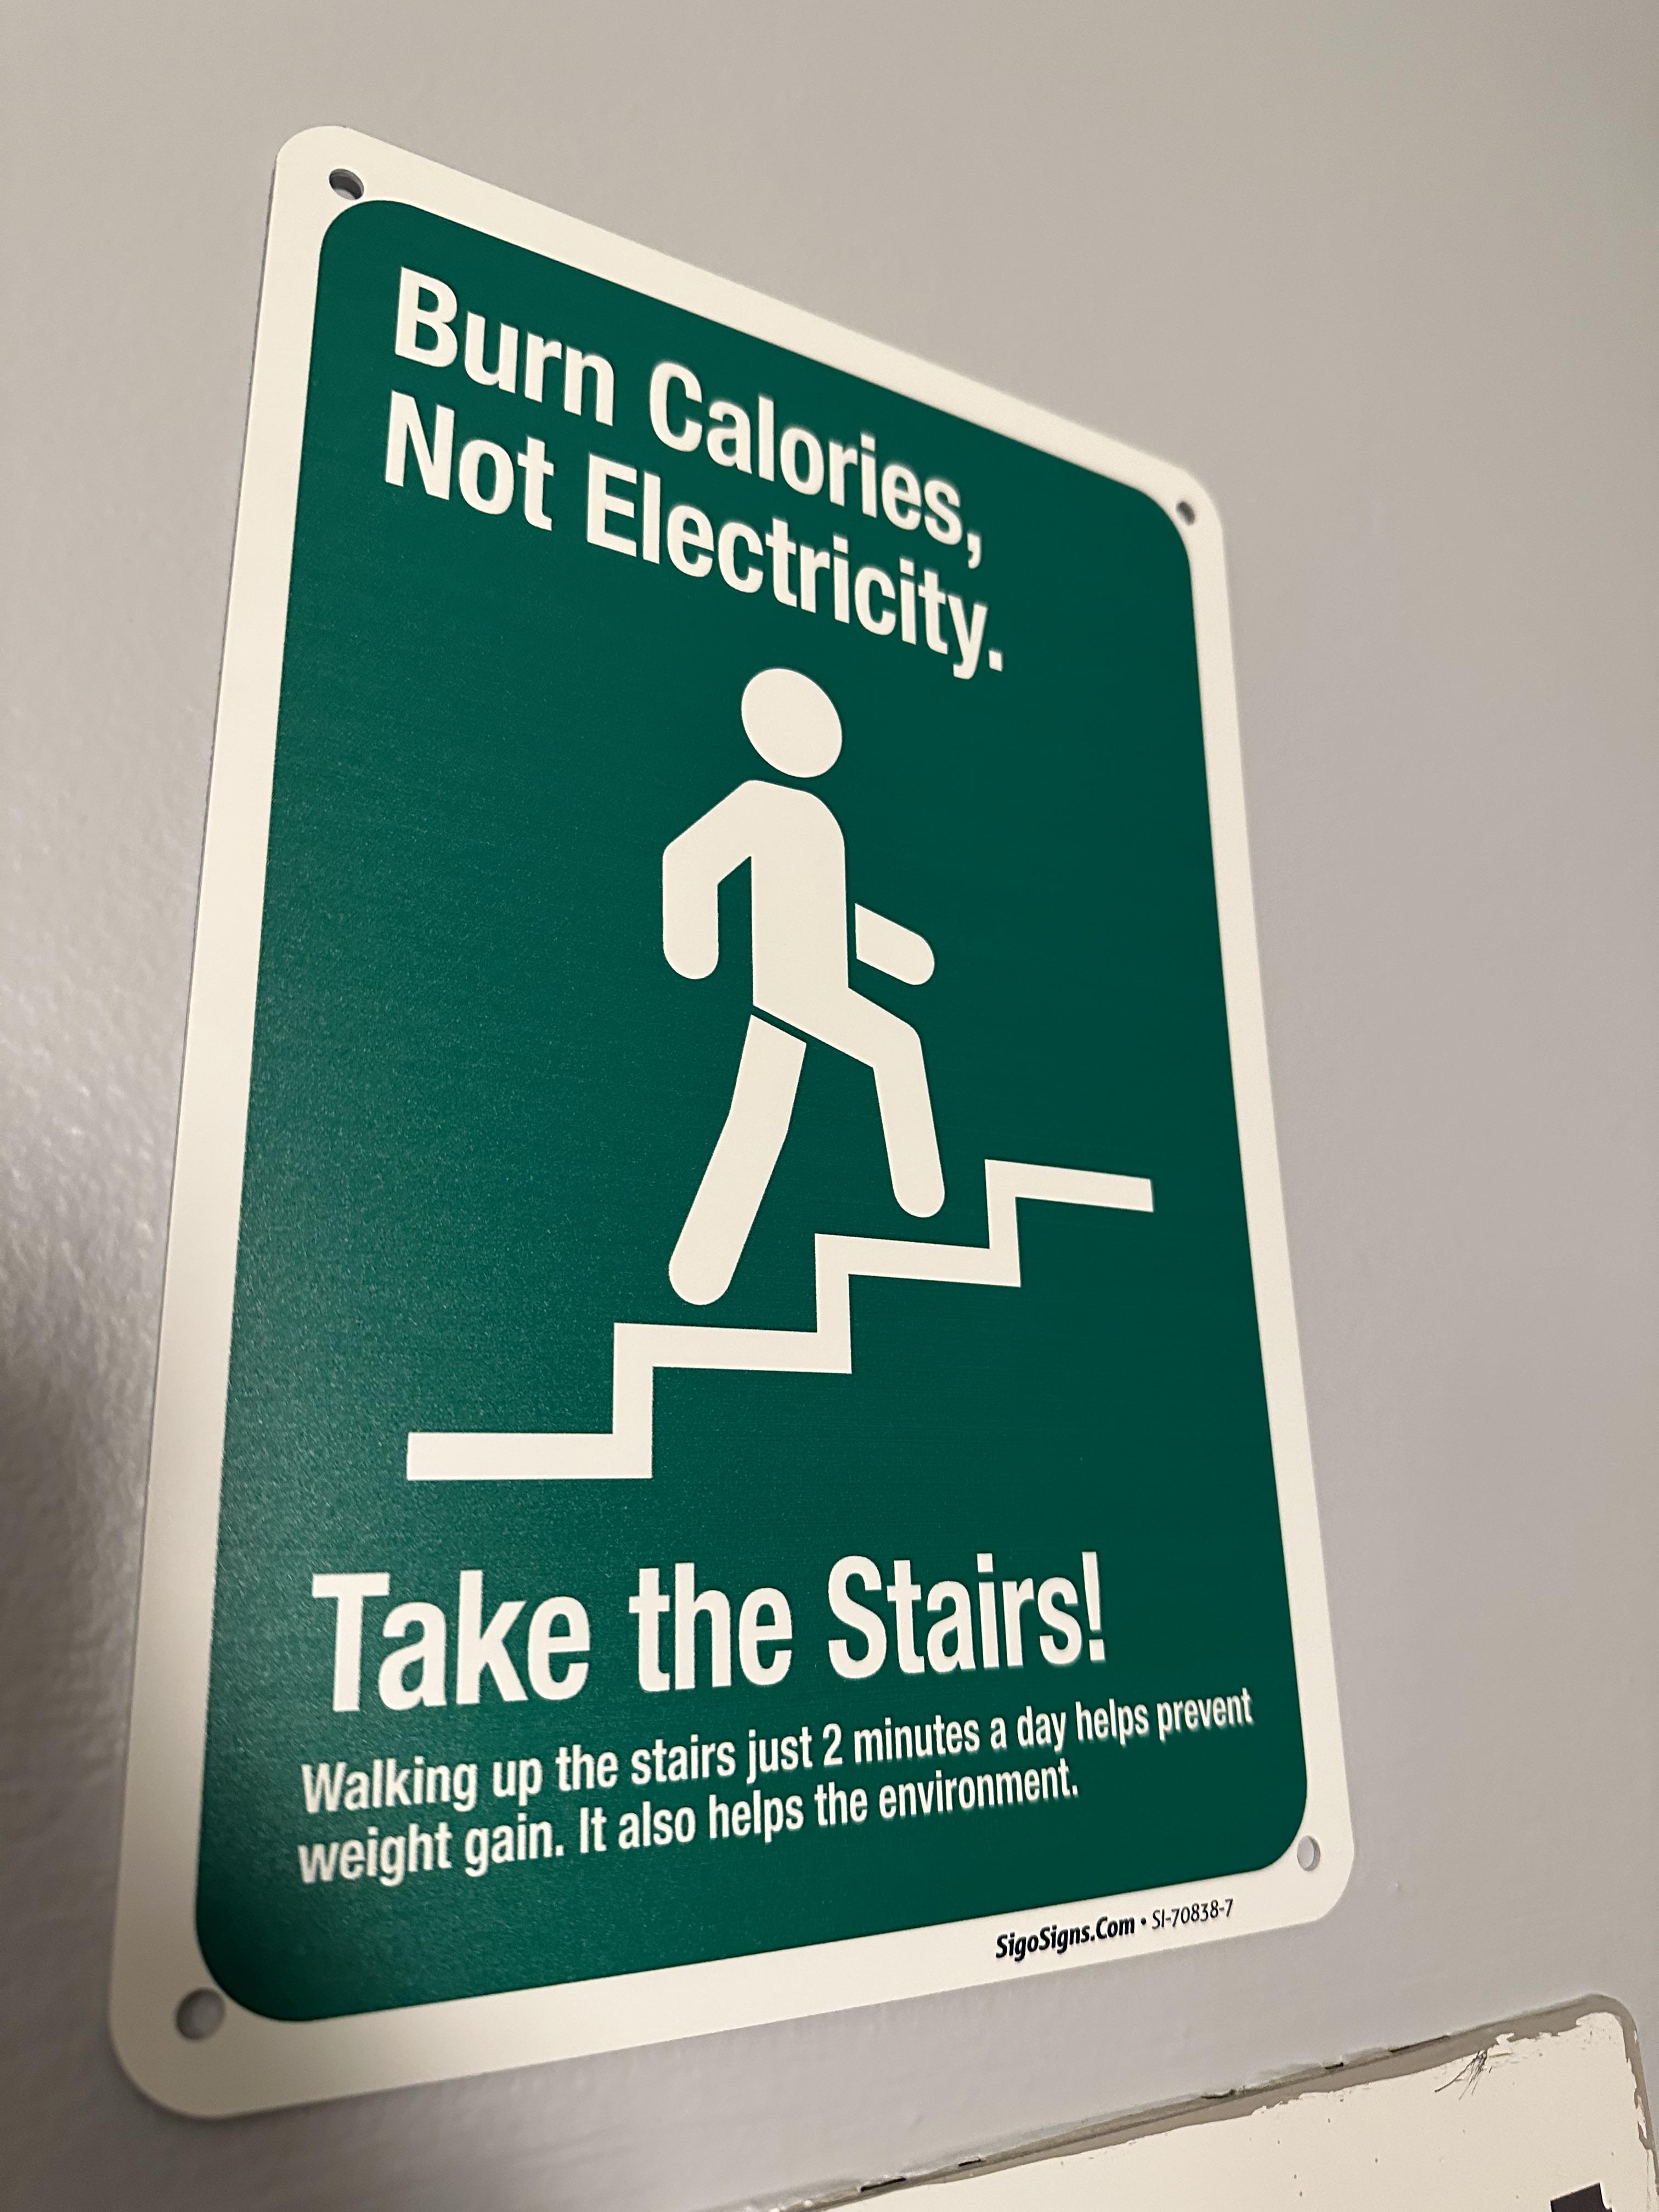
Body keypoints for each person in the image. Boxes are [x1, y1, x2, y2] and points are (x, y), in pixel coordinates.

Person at [662, 667, 944, 1305]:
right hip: (797, 991)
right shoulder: (759, 803)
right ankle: (923, 1196)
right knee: (897, 1048)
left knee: (760, 1118)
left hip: (801, 991)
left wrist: (900, 954)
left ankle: (702, 1266)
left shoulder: (819, 819)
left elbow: (829, 915)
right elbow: (690, 860)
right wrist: (694, 949)